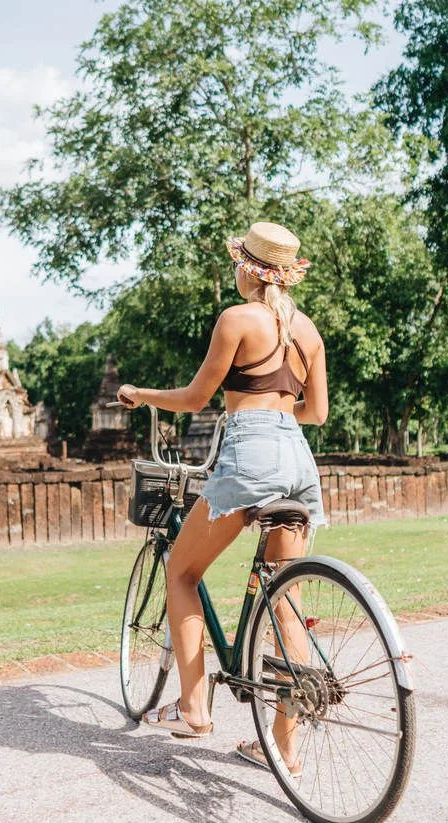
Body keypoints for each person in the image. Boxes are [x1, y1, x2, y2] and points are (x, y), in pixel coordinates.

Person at [115, 221, 328, 773]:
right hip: (298, 456)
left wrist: (140, 394)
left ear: (249, 270)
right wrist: (276, 415)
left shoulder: (236, 319)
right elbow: (317, 414)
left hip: (252, 451)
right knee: (286, 600)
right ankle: (285, 748)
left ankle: (194, 710)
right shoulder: (308, 331)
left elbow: (194, 397)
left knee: (182, 573)